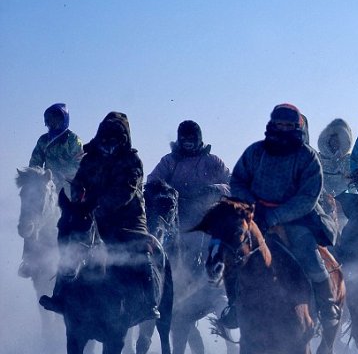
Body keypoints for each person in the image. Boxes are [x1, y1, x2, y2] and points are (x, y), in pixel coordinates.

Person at [40, 112, 160, 322]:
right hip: (91, 214)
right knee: (71, 242)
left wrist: (99, 206)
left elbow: (127, 191)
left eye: (114, 140)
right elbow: (78, 182)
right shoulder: (90, 158)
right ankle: (59, 296)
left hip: (128, 217)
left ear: (123, 140)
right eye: (105, 139)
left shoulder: (132, 160)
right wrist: (80, 200)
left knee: (142, 250)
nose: (109, 144)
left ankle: (149, 302)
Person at [228, 103, 339, 329]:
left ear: (297, 128)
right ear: (272, 125)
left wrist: (276, 216)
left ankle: (327, 305)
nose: (283, 129)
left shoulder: (308, 158)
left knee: (310, 257)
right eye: (279, 124)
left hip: (296, 219)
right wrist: (253, 209)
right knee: (231, 253)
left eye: (288, 125)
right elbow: (238, 181)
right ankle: (233, 307)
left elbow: (308, 197)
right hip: (255, 217)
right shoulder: (255, 152)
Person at [146, 120, 231, 268]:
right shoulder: (170, 161)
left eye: (191, 139)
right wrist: (165, 190)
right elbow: (153, 181)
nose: (188, 143)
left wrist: (216, 189)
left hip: (205, 214)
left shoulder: (212, 161)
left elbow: (233, 185)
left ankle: (214, 270)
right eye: (184, 140)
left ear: (199, 139)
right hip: (175, 214)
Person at [21, 103, 85, 278]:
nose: (52, 123)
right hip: (47, 185)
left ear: (64, 119)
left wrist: (60, 176)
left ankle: (80, 252)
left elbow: (78, 164)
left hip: (69, 185)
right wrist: (35, 178)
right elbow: (35, 162)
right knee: (30, 212)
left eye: (56, 119)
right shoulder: (43, 140)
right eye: (49, 120)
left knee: (79, 213)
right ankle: (27, 260)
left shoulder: (73, 140)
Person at [317, 118, 354, 197]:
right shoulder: (317, 159)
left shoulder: (350, 161)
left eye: (338, 140)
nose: (335, 143)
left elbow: (353, 187)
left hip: (344, 202)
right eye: (333, 140)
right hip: (320, 199)